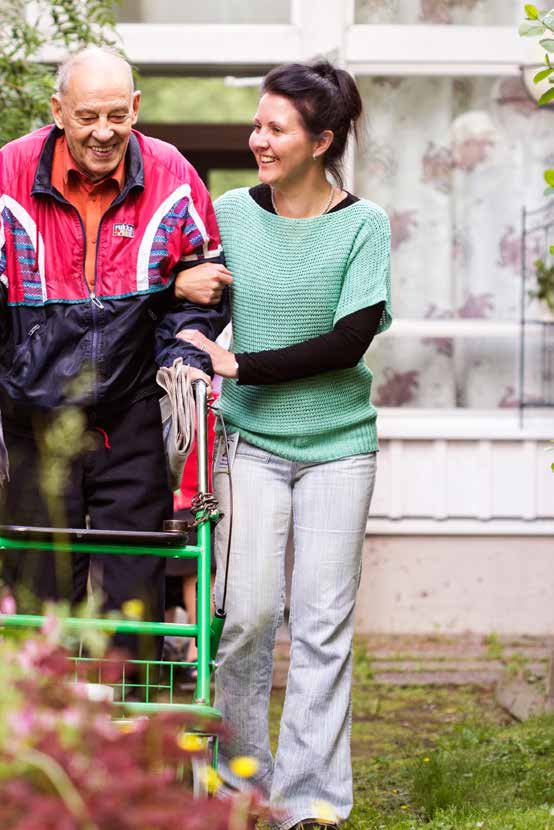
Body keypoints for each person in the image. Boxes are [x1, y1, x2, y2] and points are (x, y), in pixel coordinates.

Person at [0, 46, 231, 651]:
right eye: (88, 116)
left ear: (136, 108)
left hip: (131, 412)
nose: (103, 132)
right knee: (37, 589)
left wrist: (182, 360)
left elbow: (203, 291)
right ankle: (41, 728)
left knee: (132, 593)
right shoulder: (9, 172)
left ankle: (128, 728)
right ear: (57, 110)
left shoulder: (173, 176)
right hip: (33, 413)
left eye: (117, 115)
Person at [177, 61, 392, 830]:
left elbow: (349, 339)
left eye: (276, 128)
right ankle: (242, 795)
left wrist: (240, 363)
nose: (257, 139)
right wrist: (183, 290)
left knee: (322, 624)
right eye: (257, 124)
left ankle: (311, 805)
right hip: (251, 445)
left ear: (321, 141)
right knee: (245, 617)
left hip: (339, 447)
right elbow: (181, 278)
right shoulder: (230, 212)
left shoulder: (363, 225)